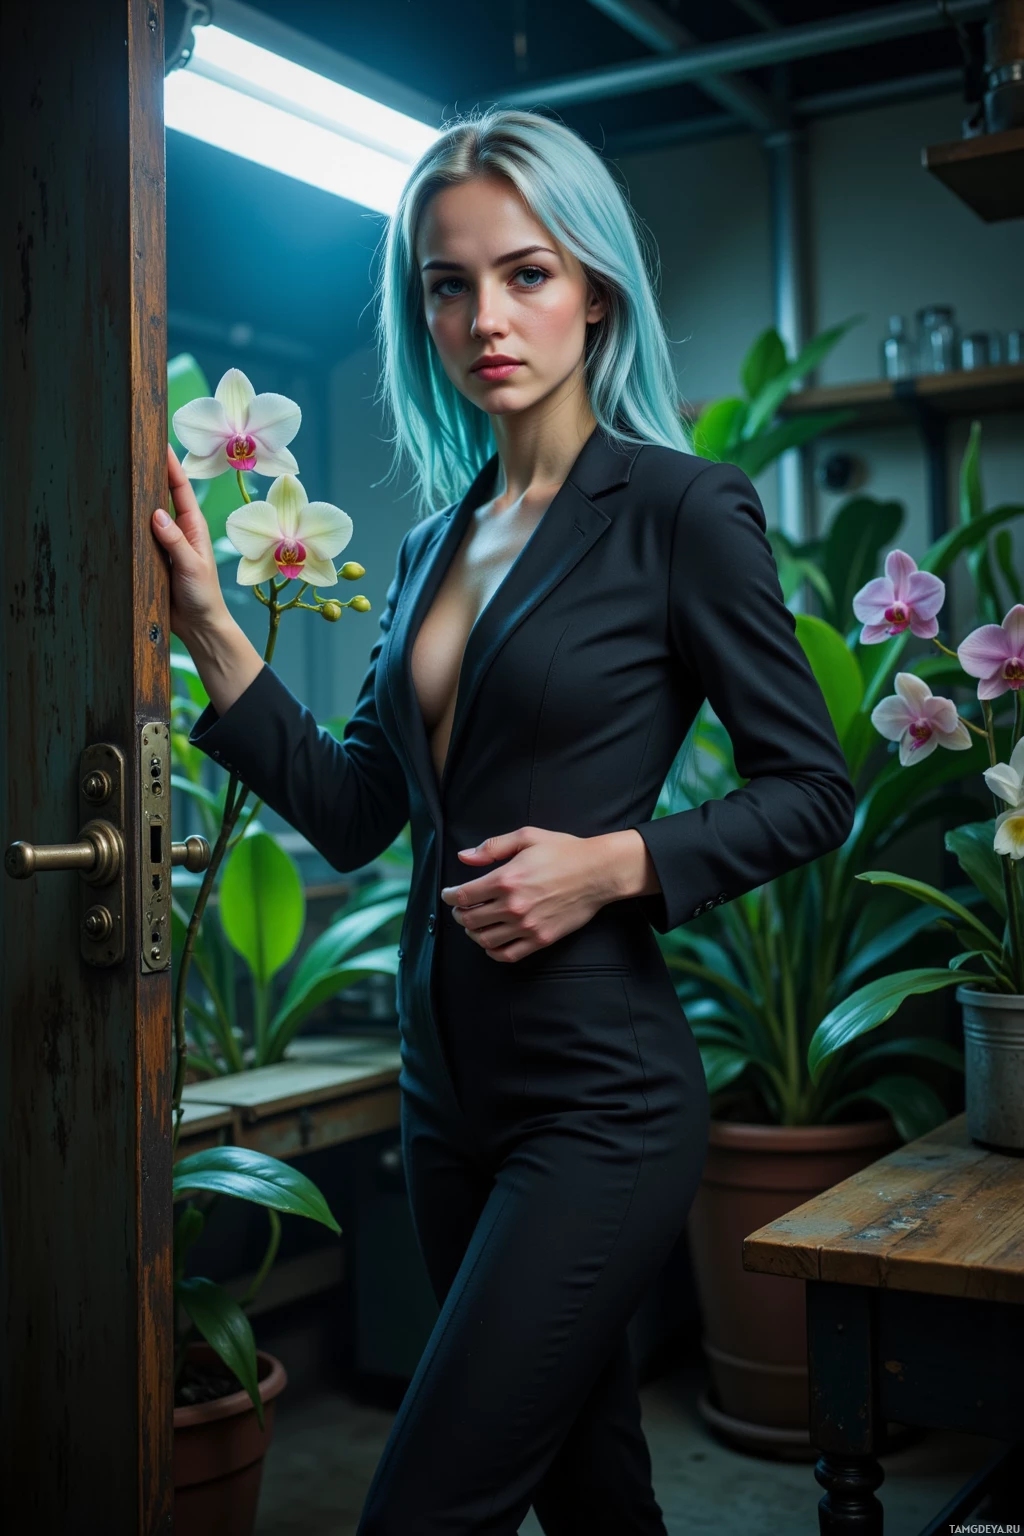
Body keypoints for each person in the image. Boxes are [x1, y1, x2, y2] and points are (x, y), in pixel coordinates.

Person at [152, 107, 856, 1535]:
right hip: (446, 1090)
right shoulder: (429, 547)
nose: (487, 316)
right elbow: (356, 815)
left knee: (422, 1510)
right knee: (594, 1486)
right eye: (448, 283)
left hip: (601, 1098)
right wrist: (218, 633)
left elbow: (815, 790)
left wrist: (618, 863)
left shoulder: (680, 511)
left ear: (595, 289)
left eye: (526, 274)